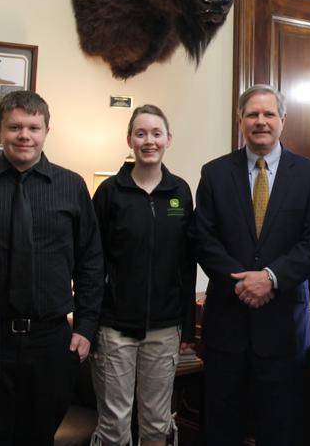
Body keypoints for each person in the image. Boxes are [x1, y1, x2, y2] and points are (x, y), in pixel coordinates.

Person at [0, 90, 104, 446]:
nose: (25, 135)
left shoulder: (71, 186)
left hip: (51, 341)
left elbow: (91, 261)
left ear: (46, 131)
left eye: (33, 127)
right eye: (15, 127)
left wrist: (85, 327)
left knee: (39, 437)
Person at [195, 84, 310, 446]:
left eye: (269, 114)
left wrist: (271, 278)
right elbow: (204, 240)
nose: (261, 121)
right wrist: (241, 283)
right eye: (252, 114)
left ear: (282, 120)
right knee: (222, 427)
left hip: (284, 328)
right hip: (227, 325)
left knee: (281, 428)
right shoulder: (214, 174)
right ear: (240, 120)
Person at [90, 104, 196, 446]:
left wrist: (187, 321)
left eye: (155, 133)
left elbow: (187, 261)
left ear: (168, 139)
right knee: (114, 425)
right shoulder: (110, 192)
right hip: (115, 328)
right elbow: (93, 261)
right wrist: (90, 323)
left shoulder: (180, 192)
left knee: (156, 423)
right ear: (129, 140)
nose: (148, 141)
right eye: (141, 133)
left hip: (164, 329)